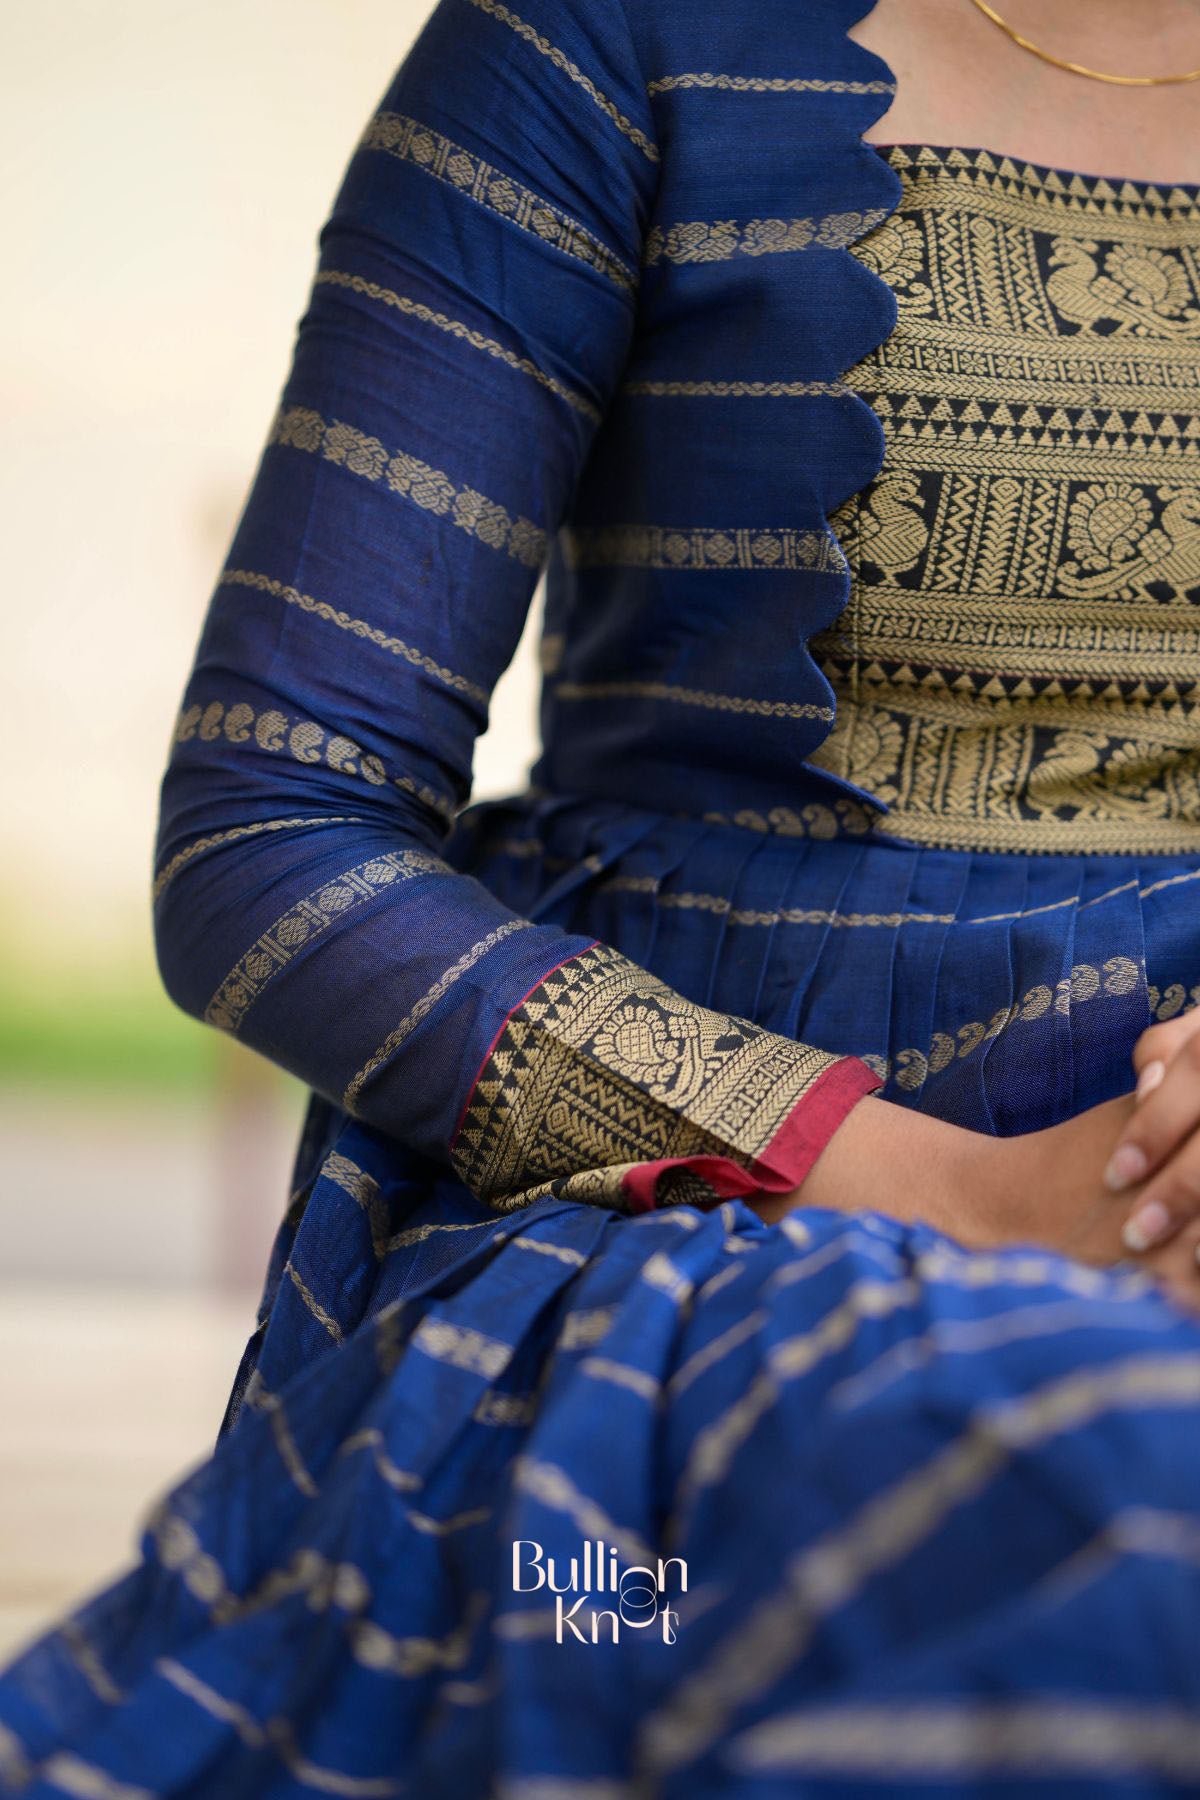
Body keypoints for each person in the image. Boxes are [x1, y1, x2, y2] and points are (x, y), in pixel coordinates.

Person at [3, 0, 1200, 1792]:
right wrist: (978, 1197)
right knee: (1111, 1516)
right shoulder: (597, 47)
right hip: (725, 1246)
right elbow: (270, 831)